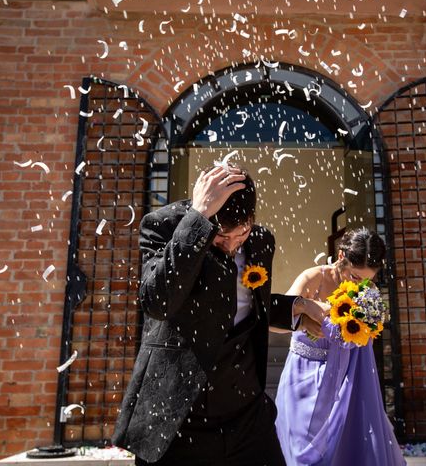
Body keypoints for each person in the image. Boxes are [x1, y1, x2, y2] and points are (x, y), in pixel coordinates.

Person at [112, 163, 329, 465]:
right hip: (178, 416)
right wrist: (198, 219)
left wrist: (297, 307)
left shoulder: (260, 241)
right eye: (220, 237)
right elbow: (157, 301)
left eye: (239, 235)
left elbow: (242, 303)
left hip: (245, 415)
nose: (230, 246)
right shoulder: (163, 225)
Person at [275, 228, 407, 466]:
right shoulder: (313, 278)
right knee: (298, 454)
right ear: (340, 257)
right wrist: (303, 313)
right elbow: (275, 323)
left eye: (369, 278)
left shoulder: (368, 294)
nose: (362, 284)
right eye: (356, 277)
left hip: (344, 385)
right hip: (302, 379)